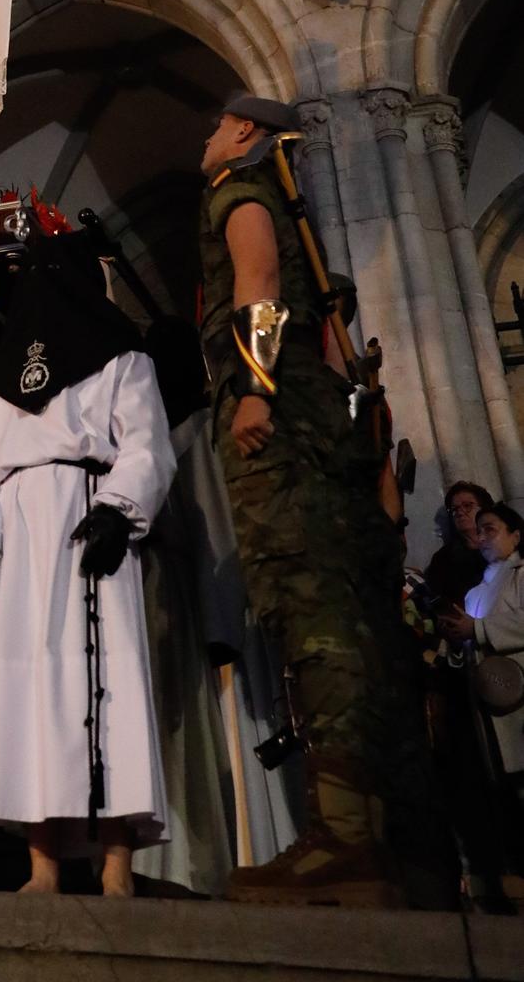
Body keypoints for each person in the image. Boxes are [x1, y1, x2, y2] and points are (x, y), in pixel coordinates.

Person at [197, 91, 443, 909]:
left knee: (312, 614)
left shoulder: (238, 190)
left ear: (241, 131)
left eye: (214, 126)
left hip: (281, 428)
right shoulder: (297, 222)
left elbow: (256, 284)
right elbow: (339, 357)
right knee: (357, 621)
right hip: (324, 429)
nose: (207, 139)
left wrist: (255, 390)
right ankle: (393, 839)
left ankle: (341, 841)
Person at [0, 227, 175, 896]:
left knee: (101, 682)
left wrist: (117, 509)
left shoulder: (120, 359)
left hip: (85, 523)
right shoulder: (0, 381)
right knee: (28, 692)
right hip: (18, 541)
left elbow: (144, 446)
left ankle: (114, 864)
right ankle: (42, 864)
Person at [440, 502, 524, 891]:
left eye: (491, 528)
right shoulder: (476, 591)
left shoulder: (522, 575)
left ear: (515, 535)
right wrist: (458, 639)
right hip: (490, 704)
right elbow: (469, 643)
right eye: (480, 530)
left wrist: (479, 628)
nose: (484, 536)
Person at [424, 481, 493, 609]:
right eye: (454, 509)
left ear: (484, 509)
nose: (460, 513)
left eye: (467, 506)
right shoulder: (443, 559)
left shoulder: (504, 547)